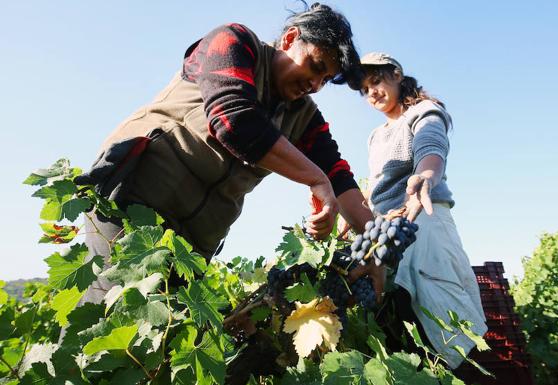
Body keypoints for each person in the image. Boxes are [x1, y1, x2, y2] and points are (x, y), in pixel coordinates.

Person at [75, 3, 373, 304]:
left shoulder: (304, 117)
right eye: (316, 66)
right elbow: (234, 120)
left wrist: (376, 246)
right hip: (132, 200)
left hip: (191, 244)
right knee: (111, 316)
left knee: (158, 340)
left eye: (324, 80)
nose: (315, 85)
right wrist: (315, 178)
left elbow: (339, 177)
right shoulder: (234, 42)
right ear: (289, 39)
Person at [357, 52, 487, 369]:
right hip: (387, 229)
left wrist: (426, 175)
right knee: (398, 316)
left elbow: (430, 145)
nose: (372, 92)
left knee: (441, 315)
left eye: (376, 81)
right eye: (365, 89)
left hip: (424, 216)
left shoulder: (424, 111)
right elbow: (378, 188)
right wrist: (357, 213)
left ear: (396, 75)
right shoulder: (374, 137)